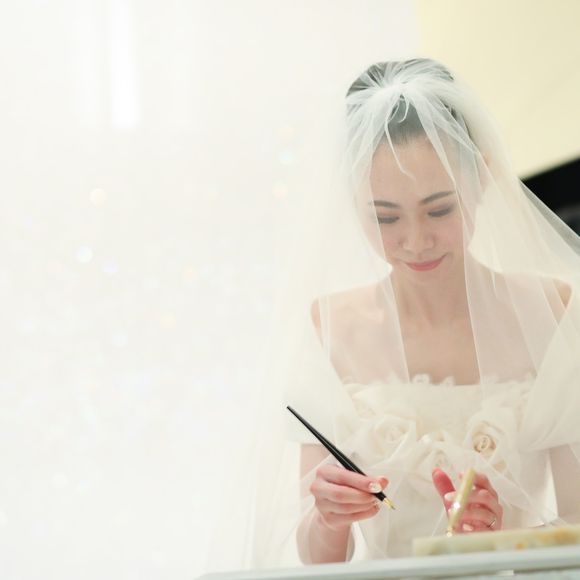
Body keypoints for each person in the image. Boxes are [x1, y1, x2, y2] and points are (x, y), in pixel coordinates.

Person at [207, 58, 580, 572]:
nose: (415, 241)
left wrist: (501, 539)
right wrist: (330, 517)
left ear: (482, 178)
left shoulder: (552, 312)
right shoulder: (330, 326)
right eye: (385, 217)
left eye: (440, 209)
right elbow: (318, 558)